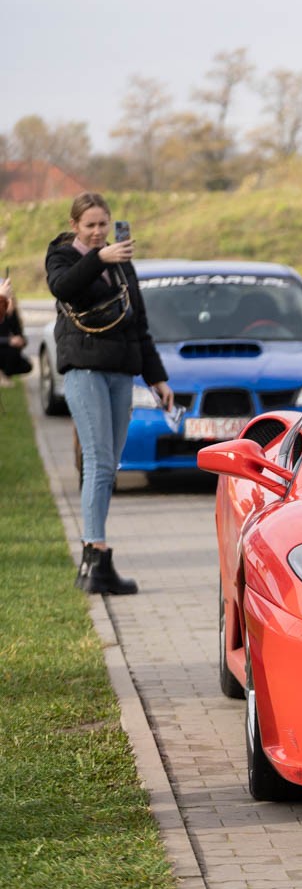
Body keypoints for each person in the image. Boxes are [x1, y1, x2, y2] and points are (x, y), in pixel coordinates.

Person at [45, 192, 174, 595]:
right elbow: (64, 288)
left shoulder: (122, 263)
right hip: (85, 370)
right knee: (99, 461)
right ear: (75, 225)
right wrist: (99, 258)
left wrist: (157, 378)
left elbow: (139, 324)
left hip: (121, 372)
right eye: (90, 225)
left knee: (110, 464)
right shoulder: (63, 256)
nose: (98, 231)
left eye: (104, 224)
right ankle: (94, 554)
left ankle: (97, 562)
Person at [0, 275, 32, 385]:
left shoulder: (12, 313)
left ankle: (5, 374)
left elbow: (20, 334)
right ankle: (4, 377)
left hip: (7, 349)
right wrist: (9, 341)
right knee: (11, 350)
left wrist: (21, 341)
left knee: (26, 365)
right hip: (3, 347)